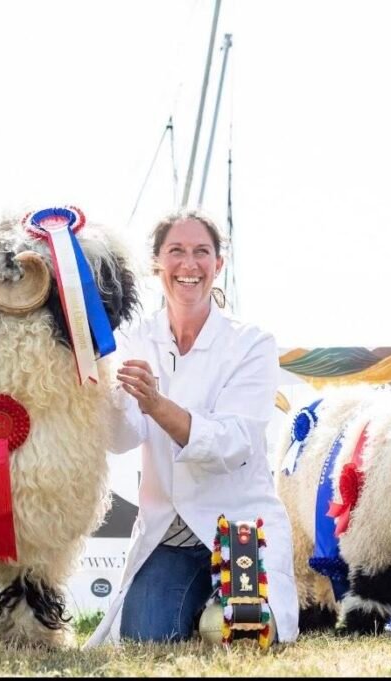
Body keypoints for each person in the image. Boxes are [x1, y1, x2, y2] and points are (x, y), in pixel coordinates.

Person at [82, 210, 298, 646]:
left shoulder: (252, 343)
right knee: (145, 641)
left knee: (244, 639)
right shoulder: (131, 339)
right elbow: (122, 438)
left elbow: (233, 445)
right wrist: (92, 385)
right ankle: (199, 606)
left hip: (240, 528)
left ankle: (223, 604)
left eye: (202, 252)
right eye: (175, 251)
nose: (189, 265)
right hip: (171, 534)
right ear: (156, 263)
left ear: (219, 265)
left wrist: (157, 404)